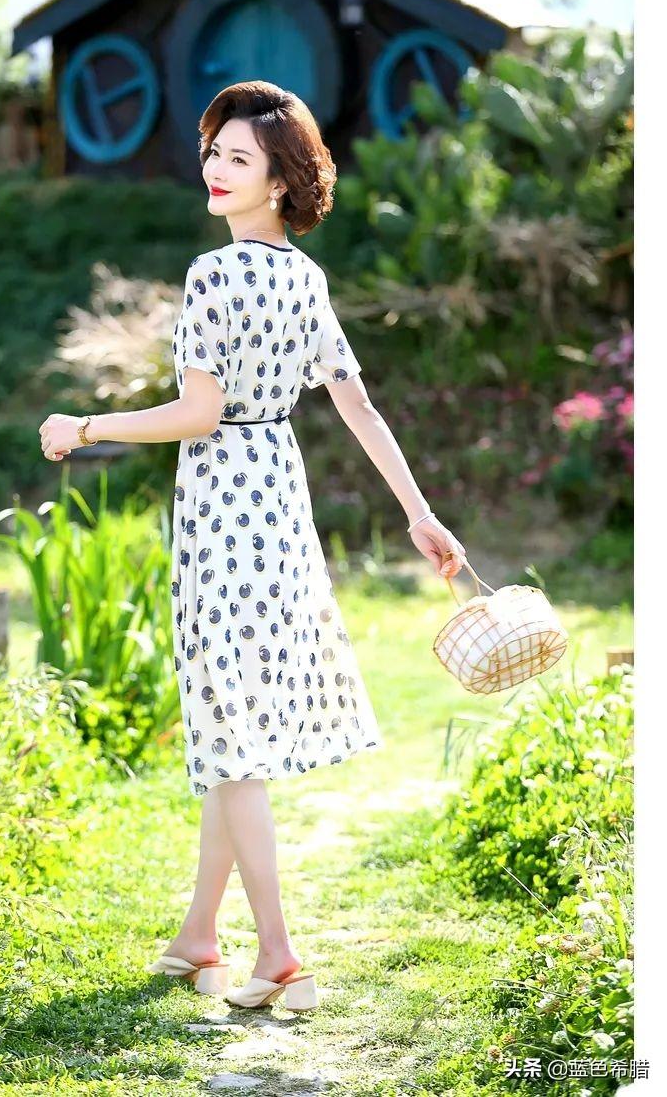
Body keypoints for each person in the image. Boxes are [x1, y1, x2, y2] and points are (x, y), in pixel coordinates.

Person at [38, 80, 466, 1011]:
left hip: (224, 501)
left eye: (239, 158)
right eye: (214, 152)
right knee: (235, 722)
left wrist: (86, 424)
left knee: (232, 737)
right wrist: (419, 512)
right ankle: (200, 936)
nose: (216, 169)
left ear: (279, 182)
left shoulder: (214, 273)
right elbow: (357, 404)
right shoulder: (304, 278)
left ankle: (278, 955)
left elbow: (200, 412)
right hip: (278, 498)